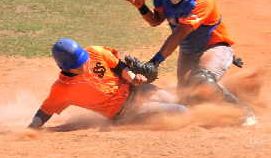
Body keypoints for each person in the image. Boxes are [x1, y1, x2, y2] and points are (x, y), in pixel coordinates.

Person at [123, 0, 257, 126]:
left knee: (201, 79)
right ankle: (219, 104)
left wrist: (154, 62)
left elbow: (180, 33)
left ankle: (243, 112)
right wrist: (141, 7)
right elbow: (156, 20)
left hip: (214, 47)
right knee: (188, 98)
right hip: (189, 52)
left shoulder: (202, 1)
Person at [27, 38, 185, 129]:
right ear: (64, 68)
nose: (84, 64)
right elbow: (45, 112)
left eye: (83, 59)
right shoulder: (62, 89)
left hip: (136, 90)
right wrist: (31, 129)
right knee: (180, 111)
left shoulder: (95, 52)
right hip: (126, 113)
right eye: (78, 65)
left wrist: (133, 77)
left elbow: (119, 66)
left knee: (175, 99)